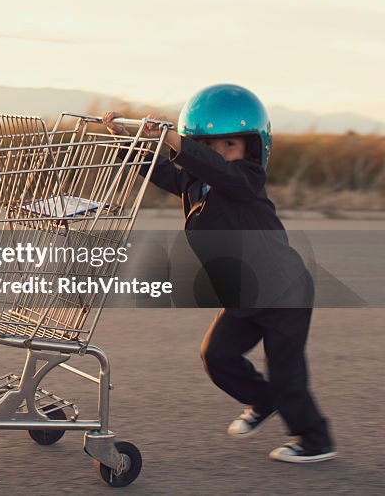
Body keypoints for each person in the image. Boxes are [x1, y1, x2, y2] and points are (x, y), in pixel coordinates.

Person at [103, 84, 334, 464]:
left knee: (286, 373)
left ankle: (315, 439)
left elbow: (219, 171)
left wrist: (177, 142)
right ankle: (262, 401)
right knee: (217, 356)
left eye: (231, 146)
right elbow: (161, 171)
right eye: (212, 147)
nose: (221, 155)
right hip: (243, 295)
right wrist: (124, 140)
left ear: (253, 147)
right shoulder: (195, 183)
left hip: (283, 294)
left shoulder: (246, 183)